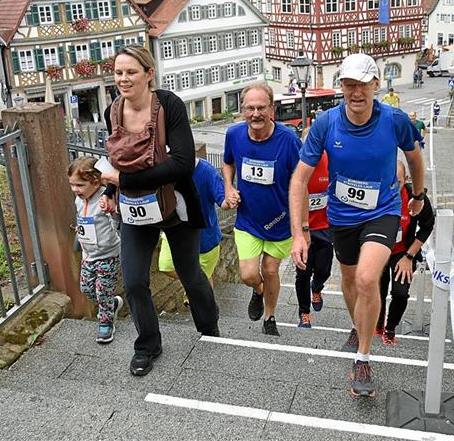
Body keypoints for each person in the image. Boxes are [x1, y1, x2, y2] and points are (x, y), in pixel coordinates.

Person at [288, 53, 425, 397]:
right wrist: (299, 233)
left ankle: (363, 356)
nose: (356, 92)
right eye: (349, 85)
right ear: (342, 88)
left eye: (363, 85)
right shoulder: (326, 123)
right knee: (349, 279)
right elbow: (298, 181)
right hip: (342, 216)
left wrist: (418, 195)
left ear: (376, 85)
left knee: (367, 278)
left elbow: (414, 157)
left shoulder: (394, 120)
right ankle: (358, 325)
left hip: (383, 210)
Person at [99, 45, 219, 377]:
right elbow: (120, 158)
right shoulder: (114, 109)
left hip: (175, 206)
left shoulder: (169, 105)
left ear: (149, 74)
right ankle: (148, 344)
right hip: (136, 208)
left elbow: (181, 164)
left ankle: (210, 330)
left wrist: (122, 179)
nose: (123, 79)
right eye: (118, 72)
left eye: (131, 72)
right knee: (134, 281)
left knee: (190, 274)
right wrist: (112, 189)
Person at [223, 83, 302, 336]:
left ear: (271, 110)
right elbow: (227, 163)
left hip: (280, 221)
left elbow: (301, 181)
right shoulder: (233, 135)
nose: (255, 114)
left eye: (261, 108)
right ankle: (258, 291)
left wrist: (303, 227)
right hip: (248, 220)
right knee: (248, 274)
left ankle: (270, 316)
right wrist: (228, 188)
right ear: (242, 110)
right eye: (249, 108)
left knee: (270, 269)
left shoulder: (288, 140)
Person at [375, 161, 434, 344]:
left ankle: (391, 327)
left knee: (400, 293)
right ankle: (377, 324)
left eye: (397, 182)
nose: (392, 187)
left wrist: (409, 256)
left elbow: (426, 227)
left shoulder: (415, 198)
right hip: (378, 250)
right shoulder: (374, 194)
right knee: (377, 290)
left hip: (403, 252)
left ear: (406, 179)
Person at [158, 157, 232, 298]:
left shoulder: (206, 171)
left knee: (202, 278)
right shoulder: (164, 169)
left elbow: (222, 200)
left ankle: (209, 308)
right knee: (166, 266)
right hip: (172, 232)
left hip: (205, 237)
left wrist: (230, 200)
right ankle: (193, 284)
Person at [68, 157, 123, 344]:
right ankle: (113, 304)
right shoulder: (79, 201)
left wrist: (112, 211)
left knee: (103, 293)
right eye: (72, 185)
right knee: (86, 289)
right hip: (88, 256)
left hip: (108, 255)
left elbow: (115, 222)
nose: (76, 189)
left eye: (80, 185)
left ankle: (106, 323)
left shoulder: (103, 198)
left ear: (95, 181)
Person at [295, 127, 333, 329]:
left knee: (324, 270)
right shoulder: (298, 164)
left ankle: (317, 287)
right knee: (302, 273)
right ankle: (304, 313)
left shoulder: (330, 159)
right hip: (302, 230)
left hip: (325, 227)